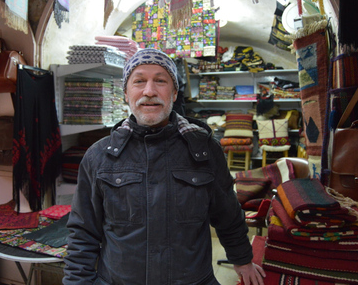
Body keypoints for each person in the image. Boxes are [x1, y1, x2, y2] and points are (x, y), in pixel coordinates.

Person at [63, 48, 266, 285]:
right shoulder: (99, 156)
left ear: (174, 92)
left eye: (160, 80)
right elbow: (83, 231)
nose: (149, 91)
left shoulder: (205, 150)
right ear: (126, 94)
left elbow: (228, 214)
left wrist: (242, 260)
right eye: (139, 81)